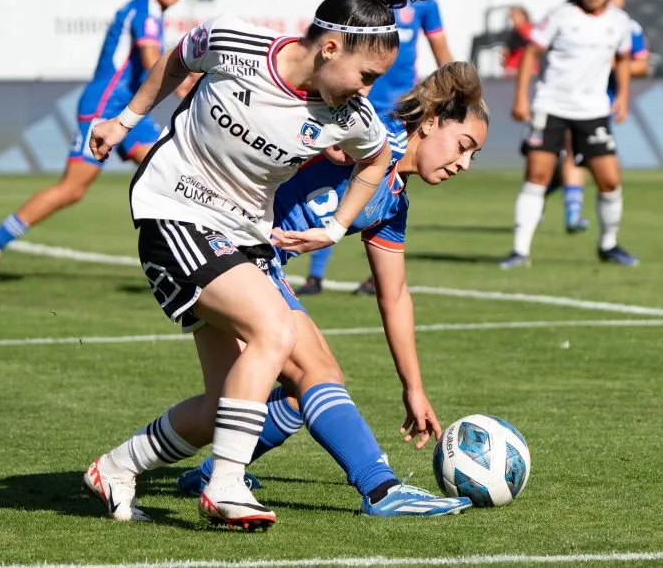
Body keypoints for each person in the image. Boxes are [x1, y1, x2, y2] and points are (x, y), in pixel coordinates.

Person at [82, 0, 435, 530]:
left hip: (240, 236)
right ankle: (225, 486)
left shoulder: (352, 116)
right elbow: (176, 60)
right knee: (277, 328)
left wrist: (337, 225)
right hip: (173, 210)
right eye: (366, 75)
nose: (368, 90)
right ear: (329, 49)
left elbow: (374, 161)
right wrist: (125, 120)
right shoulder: (235, 42)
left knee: (224, 406)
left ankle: (117, 467)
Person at [165, 62, 488, 519]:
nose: (464, 163)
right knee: (316, 372)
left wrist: (413, 388)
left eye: (473, 155)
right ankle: (381, 490)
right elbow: (318, 112)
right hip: (225, 246)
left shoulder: (392, 202)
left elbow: (393, 296)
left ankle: (206, 470)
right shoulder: (377, 138)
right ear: (431, 122)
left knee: (295, 394)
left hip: (251, 259)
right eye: (463, 146)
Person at [0, 0, 189, 288]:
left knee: (170, 172)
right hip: (105, 109)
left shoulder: (146, 8)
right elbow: (150, 59)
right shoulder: (145, 8)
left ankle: (184, 262)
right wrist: (183, 86)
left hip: (128, 110)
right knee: (73, 189)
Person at [295, 0, 452, 299]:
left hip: (400, 111)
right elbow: (319, 38)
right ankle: (315, 270)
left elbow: (441, 50)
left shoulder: (423, 3)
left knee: (388, 187)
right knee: (329, 178)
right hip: (349, 104)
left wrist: (452, 96)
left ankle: (378, 271)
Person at [500, 0, 638, 269]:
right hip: (551, 106)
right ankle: (520, 251)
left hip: (592, 111)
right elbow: (531, 52)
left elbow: (624, 59)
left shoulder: (619, 21)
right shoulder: (560, 16)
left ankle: (608, 244)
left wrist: (624, 98)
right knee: (537, 176)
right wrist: (521, 97)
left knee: (610, 180)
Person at [542, 0, 650, 236]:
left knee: (588, 162)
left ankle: (544, 188)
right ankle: (572, 213)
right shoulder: (575, 19)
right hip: (571, 100)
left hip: (602, 104)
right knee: (574, 154)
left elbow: (641, 65)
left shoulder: (628, 27)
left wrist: (607, 60)